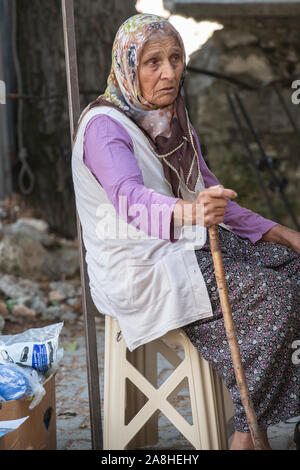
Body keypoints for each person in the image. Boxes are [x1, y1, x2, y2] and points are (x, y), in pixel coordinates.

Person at [71, 13, 300, 450]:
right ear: (127, 66)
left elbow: (213, 197)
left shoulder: (171, 119)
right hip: (141, 266)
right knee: (277, 297)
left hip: (184, 245)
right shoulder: (105, 128)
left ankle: (263, 416)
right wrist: (192, 212)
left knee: (295, 268)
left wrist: (285, 234)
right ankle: (246, 434)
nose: (170, 72)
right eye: (153, 62)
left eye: (176, 58)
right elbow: (130, 199)